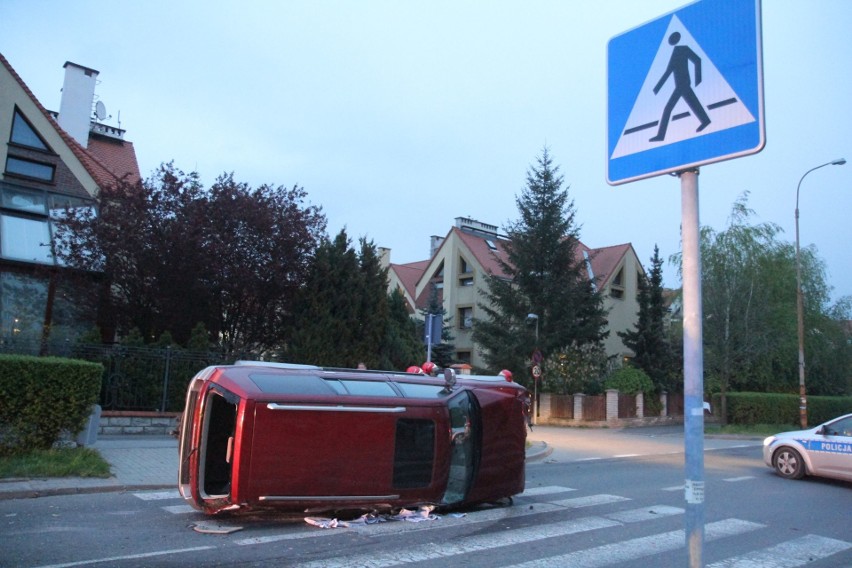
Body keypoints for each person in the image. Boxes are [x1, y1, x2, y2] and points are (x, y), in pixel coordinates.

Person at [649, 31, 711, 142]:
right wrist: (657, 87)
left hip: (683, 83)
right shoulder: (675, 51)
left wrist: (699, 79)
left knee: (668, 108)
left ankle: (661, 135)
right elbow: (669, 70)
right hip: (681, 84)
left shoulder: (683, 49)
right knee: (694, 104)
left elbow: (697, 60)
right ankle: (705, 120)